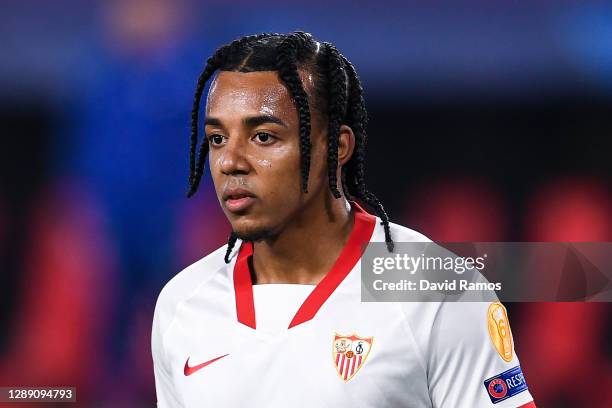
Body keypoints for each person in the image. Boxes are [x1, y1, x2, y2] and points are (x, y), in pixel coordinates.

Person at [151, 31, 536, 407]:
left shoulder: (436, 290)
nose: (231, 162)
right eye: (218, 138)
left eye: (264, 137)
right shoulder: (182, 306)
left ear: (336, 147)